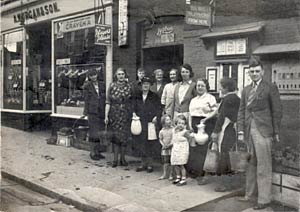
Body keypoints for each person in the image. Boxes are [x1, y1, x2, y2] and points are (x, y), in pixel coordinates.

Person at [237, 57, 282, 210]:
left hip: (264, 131)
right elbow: (241, 110)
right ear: (248, 73)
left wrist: (275, 131)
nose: (254, 74)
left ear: (262, 72)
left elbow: (277, 110)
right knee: (250, 164)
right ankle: (249, 195)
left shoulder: (270, 87)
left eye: (257, 71)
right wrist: (241, 131)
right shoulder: (246, 90)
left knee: (264, 165)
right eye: (251, 71)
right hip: (249, 130)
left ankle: (264, 199)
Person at [210, 78, 240, 192]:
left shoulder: (227, 99)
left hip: (225, 129)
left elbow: (221, 117)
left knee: (224, 156)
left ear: (226, 88)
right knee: (229, 155)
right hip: (232, 129)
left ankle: (225, 184)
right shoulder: (237, 98)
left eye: (221, 86)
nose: (220, 88)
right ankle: (230, 183)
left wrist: (215, 131)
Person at [188, 78, 218, 185]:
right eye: (198, 86)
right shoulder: (193, 100)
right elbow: (190, 114)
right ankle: (194, 172)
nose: (200, 88)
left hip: (206, 123)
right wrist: (190, 125)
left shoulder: (210, 98)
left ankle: (202, 174)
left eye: (202, 86)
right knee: (194, 148)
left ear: (206, 87)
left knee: (203, 148)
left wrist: (206, 119)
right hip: (195, 123)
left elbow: (215, 111)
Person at [105, 67, 133, 167]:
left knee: (124, 137)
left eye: (122, 74)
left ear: (125, 75)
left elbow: (132, 101)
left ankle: (123, 159)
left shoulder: (129, 86)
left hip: (126, 114)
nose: (121, 76)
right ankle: (115, 159)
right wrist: (106, 116)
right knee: (116, 137)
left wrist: (132, 113)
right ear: (116, 76)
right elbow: (108, 101)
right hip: (114, 114)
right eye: (119, 74)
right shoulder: (111, 85)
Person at [133, 76, 162, 173]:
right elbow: (132, 106)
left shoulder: (154, 96)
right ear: (141, 85)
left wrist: (156, 117)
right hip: (140, 122)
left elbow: (159, 108)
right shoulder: (137, 95)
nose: (145, 86)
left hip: (150, 123)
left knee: (150, 143)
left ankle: (150, 164)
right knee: (141, 142)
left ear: (150, 85)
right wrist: (133, 113)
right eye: (144, 84)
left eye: (147, 84)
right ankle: (142, 163)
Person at [83, 68, 106, 160]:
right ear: (89, 77)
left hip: (101, 111)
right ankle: (92, 152)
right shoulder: (87, 86)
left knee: (99, 132)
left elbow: (104, 97)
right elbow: (86, 100)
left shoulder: (102, 84)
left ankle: (97, 152)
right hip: (92, 112)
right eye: (91, 75)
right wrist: (85, 112)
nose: (93, 77)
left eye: (95, 75)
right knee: (93, 132)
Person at [170, 114, 193, 186]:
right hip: (175, 149)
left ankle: (183, 179)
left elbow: (189, 139)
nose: (181, 125)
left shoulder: (185, 132)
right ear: (176, 123)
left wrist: (184, 144)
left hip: (182, 150)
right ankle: (178, 177)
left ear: (185, 124)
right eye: (179, 123)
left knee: (181, 165)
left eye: (183, 123)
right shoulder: (174, 130)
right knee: (176, 164)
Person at [158, 114, 174, 180]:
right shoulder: (162, 131)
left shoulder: (173, 129)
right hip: (165, 148)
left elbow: (174, 138)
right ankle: (164, 174)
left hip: (172, 147)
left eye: (170, 119)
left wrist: (170, 144)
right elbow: (160, 139)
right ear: (163, 122)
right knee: (165, 162)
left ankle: (171, 174)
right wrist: (163, 145)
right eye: (167, 120)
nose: (169, 121)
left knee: (172, 162)